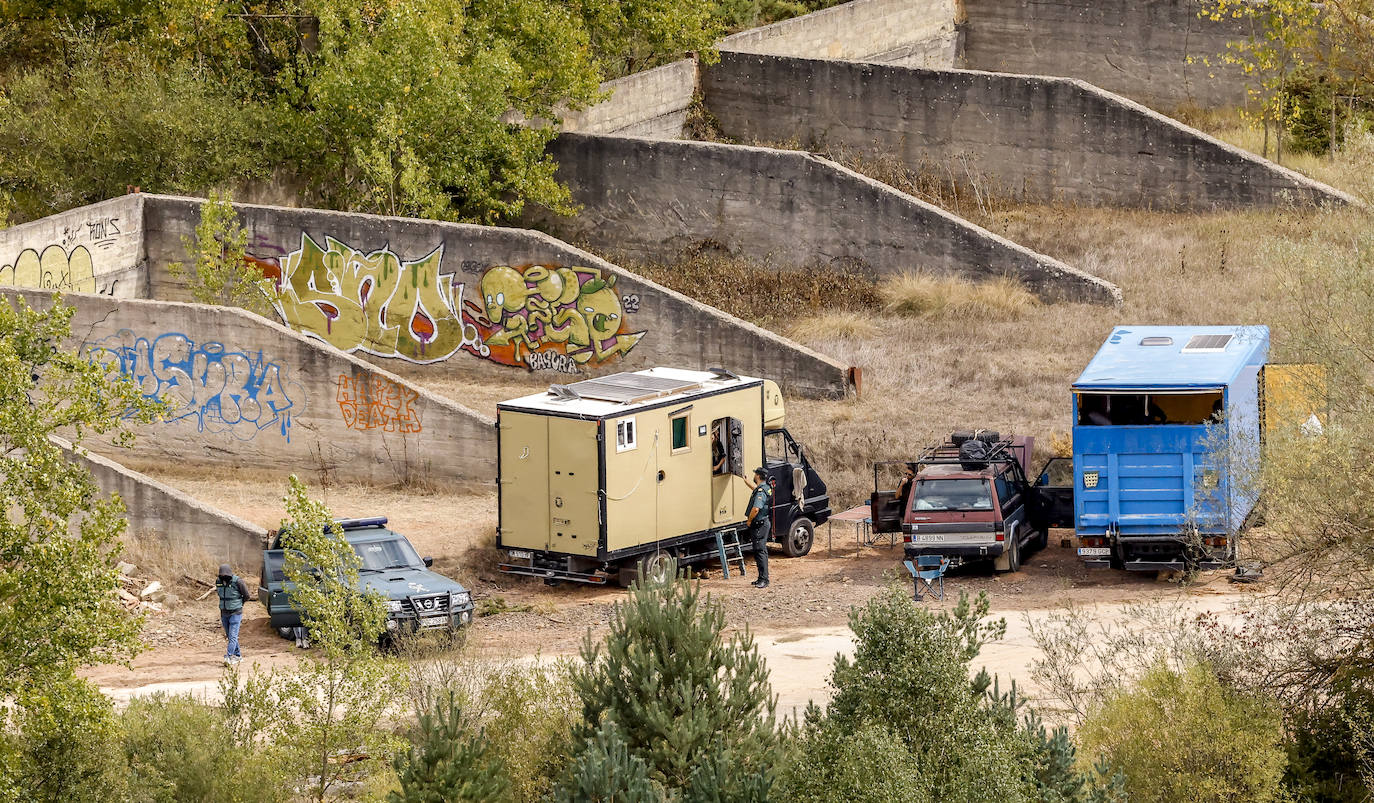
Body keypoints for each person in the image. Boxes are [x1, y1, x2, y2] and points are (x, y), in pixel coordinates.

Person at [215, 563, 250, 665]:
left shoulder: (238, 581)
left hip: (236, 612)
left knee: (233, 636)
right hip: (224, 612)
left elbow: (247, 595)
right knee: (230, 636)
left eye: (225, 574)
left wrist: (240, 604)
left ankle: (229, 657)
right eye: (222, 575)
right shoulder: (218, 582)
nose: (223, 576)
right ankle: (238, 656)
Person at [745, 467, 774, 589]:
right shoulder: (766, 488)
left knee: (760, 552)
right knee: (760, 552)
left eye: (755, 474)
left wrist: (749, 520)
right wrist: (747, 483)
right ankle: (761, 578)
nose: (754, 475)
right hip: (764, 523)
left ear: (758, 476)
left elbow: (756, 508)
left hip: (759, 525)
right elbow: (757, 491)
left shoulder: (761, 491)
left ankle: (764, 579)